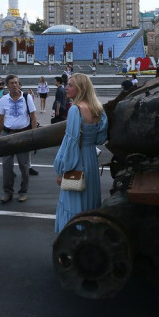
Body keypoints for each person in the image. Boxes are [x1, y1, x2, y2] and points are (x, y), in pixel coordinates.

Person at [53, 73, 109, 232]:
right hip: (91, 160)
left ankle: (74, 236)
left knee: (73, 201)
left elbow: (70, 144)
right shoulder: (98, 109)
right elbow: (100, 138)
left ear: (81, 88)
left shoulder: (75, 110)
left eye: (70, 85)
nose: (66, 88)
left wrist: (62, 171)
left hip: (78, 162)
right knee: (90, 201)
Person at [0, 74, 37, 203]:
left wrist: (35, 136)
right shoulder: (3, 99)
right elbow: (1, 119)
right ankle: (8, 193)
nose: (14, 85)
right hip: (7, 135)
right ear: (7, 85)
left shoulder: (26, 97)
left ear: (19, 84)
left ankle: (23, 192)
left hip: (23, 135)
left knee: (24, 166)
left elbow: (34, 117)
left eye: (16, 83)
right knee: (6, 166)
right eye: (12, 83)